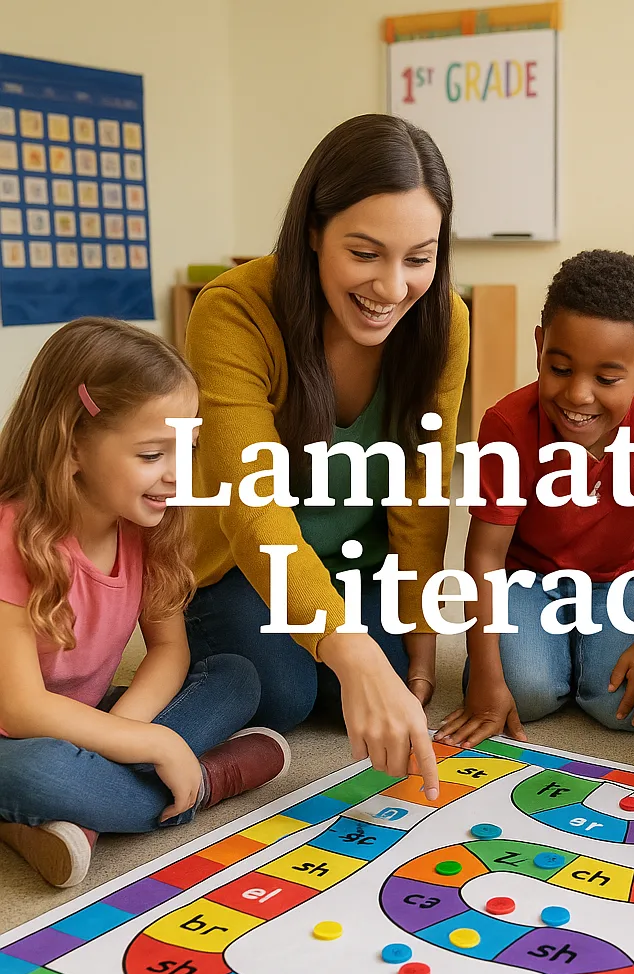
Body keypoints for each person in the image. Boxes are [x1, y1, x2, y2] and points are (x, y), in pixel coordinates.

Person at [185, 115, 470, 797]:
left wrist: (420, 654)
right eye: (365, 253)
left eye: (418, 258)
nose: (393, 287)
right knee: (282, 694)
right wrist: (348, 649)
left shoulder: (444, 320)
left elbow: (423, 496)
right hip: (242, 569)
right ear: (313, 231)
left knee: (379, 677)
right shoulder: (232, 311)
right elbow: (253, 511)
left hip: (357, 569)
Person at [0, 319, 288, 888]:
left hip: (87, 720)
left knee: (236, 675)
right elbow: (21, 710)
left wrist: (127, 728)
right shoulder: (14, 535)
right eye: (154, 454)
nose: (177, 476)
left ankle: (89, 807)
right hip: (16, 734)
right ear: (74, 445)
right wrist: (154, 743)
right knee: (43, 771)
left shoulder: (146, 526)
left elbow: (169, 650)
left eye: (188, 450)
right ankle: (203, 782)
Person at [436, 251, 634, 748]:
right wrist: (489, 678)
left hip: (624, 580)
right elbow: (486, 556)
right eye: (560, 367)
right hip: (530, 580)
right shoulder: (507, 425)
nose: (578, 395)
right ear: (540, 347)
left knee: (626, 711)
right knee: (525, 694)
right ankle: (541, 655)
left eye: (606, 379)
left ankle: (581, 652)